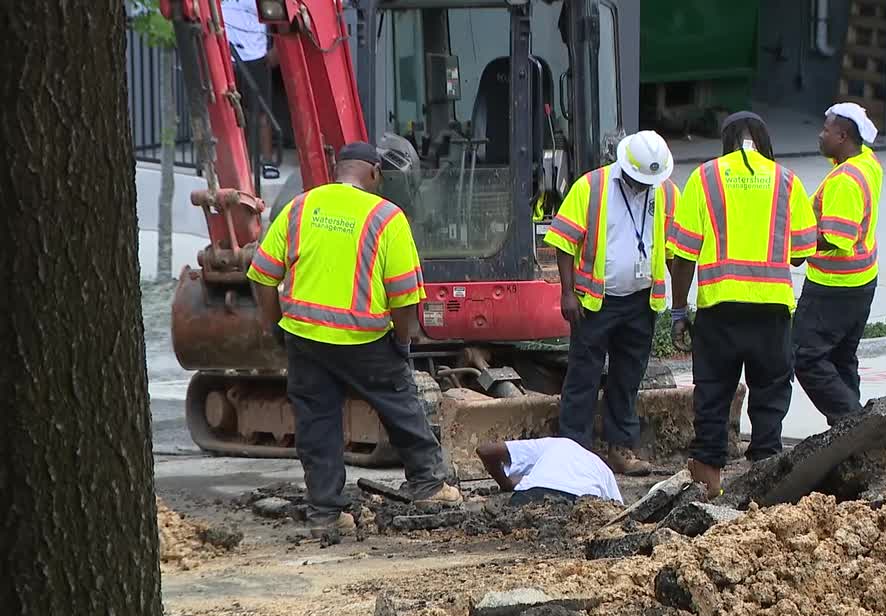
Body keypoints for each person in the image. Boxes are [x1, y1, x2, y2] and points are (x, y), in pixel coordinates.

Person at [246, 141, 459, 536]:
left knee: (317, 423)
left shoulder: (300, 207)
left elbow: (261, 273)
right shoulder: (386, 217)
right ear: (375, 173)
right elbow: (403, 294)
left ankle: (327, 512)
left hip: (306, 338)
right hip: (366, 339)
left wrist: (273, 326)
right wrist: (402, 341)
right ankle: (429, 484)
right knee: (401, 404)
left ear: (336, 169)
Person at [668, 111, 818, 495]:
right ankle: (765, 476)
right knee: (770, 392)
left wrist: (680, 310)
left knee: (713, 394)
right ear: (765, 140)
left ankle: (707, 486)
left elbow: (683, 253)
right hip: (771, 310)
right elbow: (802, 254)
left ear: (726, 140)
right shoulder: (786, 181)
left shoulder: (706, 177)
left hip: (720, 310)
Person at [543, 130, 679, 475]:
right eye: (637, 180)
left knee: (628, 376)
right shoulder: (592, 187)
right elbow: (563, 240)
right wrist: (567, 291)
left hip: (641, 300)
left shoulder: (664, 191)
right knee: (583, 374)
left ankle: (621, 448)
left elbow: (676, 245)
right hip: (595, 303)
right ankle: (575, 451)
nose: (642, 186)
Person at [793, 103, 883, 425]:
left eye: (826, 129)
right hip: (860, 283)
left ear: (843, 135)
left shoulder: (845, 180)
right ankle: (852, 441)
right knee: (842, 359)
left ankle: (854, 424)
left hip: (833, 288)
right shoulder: (865, 162)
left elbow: (838, 237)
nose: (820, 134)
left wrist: (796, 245)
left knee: (806, 356)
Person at [475, 437, 624, 507]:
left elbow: (485, 450)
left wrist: (505, 483)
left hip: (528, 498)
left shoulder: (556, 444)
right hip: (579, 504)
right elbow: (620, 512)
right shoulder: (605, 471)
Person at [222, 0, 279, 179]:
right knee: (234, 112)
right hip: (226, 54)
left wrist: (277, 50)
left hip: (255, 54)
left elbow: (281, 18)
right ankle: (242, 162)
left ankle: (267, 160)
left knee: (262, 113)